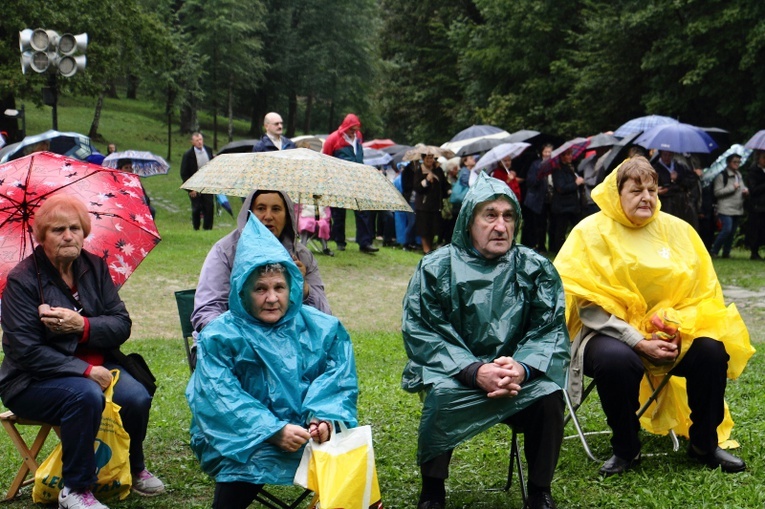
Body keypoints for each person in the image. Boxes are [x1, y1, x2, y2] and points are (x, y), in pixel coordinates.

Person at [554, 156, 754, 478]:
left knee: (710, 350)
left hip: (668, 333)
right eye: (636, 190)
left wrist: (678, 329)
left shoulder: (677, 231)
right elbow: (586, 304)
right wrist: (638, 340)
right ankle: (626, 448)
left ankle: (704, 443)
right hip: (605, 333)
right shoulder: (590, 233)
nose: (646, 197)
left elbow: (699, 293)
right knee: (618, 360)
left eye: (652, 189)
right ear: (615, 193)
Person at [402, 172, 570, 509]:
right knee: (442, 395)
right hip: (457, 376)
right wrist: (474, 370)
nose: (500, 226)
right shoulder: (437, 267)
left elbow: (549, 329)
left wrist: (521, 368)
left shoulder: (534, 268)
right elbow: (424, 331)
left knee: (550, 396)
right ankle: (432, 490)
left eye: (508, 216)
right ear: (468, 221)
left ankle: (539, 491)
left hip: (516, 380)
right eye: (489, 215)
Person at [0, 195, 165, 509]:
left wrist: (82, 325)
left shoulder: (94, 266)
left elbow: (121, 324)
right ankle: (76, 489)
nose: (68, 236)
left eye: (75, 228)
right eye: (58, 229)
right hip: (31, 381)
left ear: (84, 231)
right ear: (42, 236)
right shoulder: (22, 281)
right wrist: (86, 371)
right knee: (85, 394)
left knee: (136, 396)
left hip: (100, 366)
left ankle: (134, 466)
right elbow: (25, 351)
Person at [186, 214, 358, 509]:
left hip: (306, 431)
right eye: (260, 289)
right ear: (241, 292)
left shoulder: (324, 328)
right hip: (240, 435)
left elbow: (337, 379)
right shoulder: (220, 335)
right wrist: (272, 430)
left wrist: (322, 417)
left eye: (279, 287)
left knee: (348, 458)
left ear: (292, 287)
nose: (271, 298)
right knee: (241, 468)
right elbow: (218, 398)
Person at [191, 189, 331, 334]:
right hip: (233, 341)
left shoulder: (301, 256)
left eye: (276, 209)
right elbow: (208, 311)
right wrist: (241, 340)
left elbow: (324, 316)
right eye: (261, 208)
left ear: (287, 215)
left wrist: (304, 287)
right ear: (249, 213)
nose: (268, 216)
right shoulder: (226, 251)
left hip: (288, 343)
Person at [322, 114, 378, 253]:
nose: (354, 132)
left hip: (358, 180)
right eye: (351, 129)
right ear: (346, 127)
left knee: (363, 210)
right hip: (339, 180)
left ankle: (365, 242)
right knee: (338, 212)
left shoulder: (358, 137)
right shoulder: (333, 139)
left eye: (356, 129)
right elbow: (325, 158)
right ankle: (340, 241)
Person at [710, 154, 748, 258]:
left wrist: (745, 192)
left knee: (732, 232)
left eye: (738, 162)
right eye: (734, 162)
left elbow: (742, 187)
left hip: (737, 208)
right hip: (725, 208)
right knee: (727, 229)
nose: (737, 164)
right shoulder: (722, 176)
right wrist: (732, 188)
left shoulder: (739, 175)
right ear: (728, 162)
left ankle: (726, 253)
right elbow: (717, 192)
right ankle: (714, 251)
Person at [549, 148, 584, 253]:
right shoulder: (557, 170)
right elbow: (561, 188)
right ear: (562, 157)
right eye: (567, 154)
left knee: (580, 228)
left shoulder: (571, 168)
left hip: (573, 205)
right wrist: (576, 184)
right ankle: (559, 251)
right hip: (562, 206)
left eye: (570, 154)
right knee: (560, 231)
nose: (570, 156)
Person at [413, 153, 448, 254]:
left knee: (433, 228)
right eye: (427, 158)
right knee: (424, 228)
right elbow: (417, 187)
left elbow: (444, 183)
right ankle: (426, 248)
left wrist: (448, 190)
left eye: (431, 158)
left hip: (436, 204)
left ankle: (430, 247)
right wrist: (426, 180)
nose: (430, 160)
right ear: (423, 159)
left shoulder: (438, 170)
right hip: (423, 205)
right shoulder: (419, 171)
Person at [652, 150, 697, 227]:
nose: (667, 157)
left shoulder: (680, 167)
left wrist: (678, 177)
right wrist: (655, 191)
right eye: (665, 155)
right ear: (660, 154)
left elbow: (691, 182)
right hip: (665, 205)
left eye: (669, 155)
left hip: (681, 204)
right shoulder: (655, 169)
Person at [180, 132, 215, 230]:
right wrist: (190, 189)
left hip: (207, 183)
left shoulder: (208, 150)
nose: (200, 142)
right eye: (197, 140)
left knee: (209, 207)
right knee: (197, 208)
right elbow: (184, 173)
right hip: (194, 185)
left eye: (201, 140)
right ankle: (196, 227)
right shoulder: (188, 155)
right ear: (192, 142)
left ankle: (208, 228)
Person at [523, 144, 553, 252]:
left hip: (550, 200)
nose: (547, 154)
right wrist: (540, 176)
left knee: (548, 225)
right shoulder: (536, 165)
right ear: (541, 153)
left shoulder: (554, 165)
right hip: (536, 200)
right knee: (537, 225)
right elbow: (530, 182)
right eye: (545, 152)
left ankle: (546, 245)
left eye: (549, 152)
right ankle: (538, 246)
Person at [747, 150, 765, 260]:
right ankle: (754, 251)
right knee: (756, 229)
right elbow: (753, 190)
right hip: (757, 206)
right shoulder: (753, 172)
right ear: (758, 158)